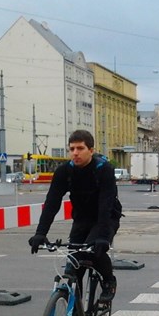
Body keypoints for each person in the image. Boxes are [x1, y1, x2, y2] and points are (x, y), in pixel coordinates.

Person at [28, 130, 121, 303]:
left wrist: (102, 237)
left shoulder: (103, 170)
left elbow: (105, 204)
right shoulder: (64, 172)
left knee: (93, 251)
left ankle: (109, 281)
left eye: (80, 148)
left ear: (91, 150)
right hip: (81, 219)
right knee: (74, 266)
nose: (75, 153)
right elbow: (52, 203)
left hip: (106, 217)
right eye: (72, 149)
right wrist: (40, 233)